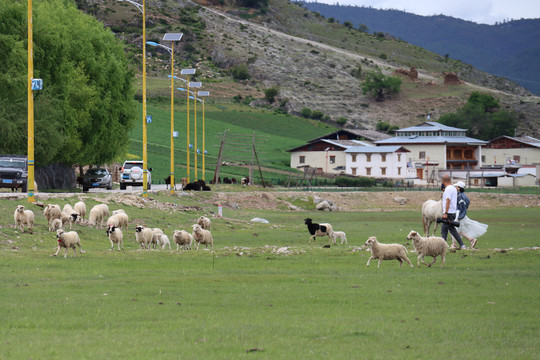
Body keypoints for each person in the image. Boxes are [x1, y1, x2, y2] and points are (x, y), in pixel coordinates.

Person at [451, 181, 488, 249]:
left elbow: (462, 206)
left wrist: (460, 216)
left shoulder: (460, 196)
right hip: (460, 214)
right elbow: (467, 204)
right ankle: (471, 239)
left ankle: (454, 244)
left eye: (456, 186)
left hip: (459, 214)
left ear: (459, 187)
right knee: (457, 230)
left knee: (453, 228)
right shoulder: (464, 196)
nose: (455, 187)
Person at [440, 174, 465, 249]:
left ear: (443, 181)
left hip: (449, 213)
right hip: (452, 212)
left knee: (450, 230)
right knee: (445, 229)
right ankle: (443, 246)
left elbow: (448, 201)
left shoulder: (448, 189)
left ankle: (461, 245)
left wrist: (445, 213)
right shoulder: (454, 188)